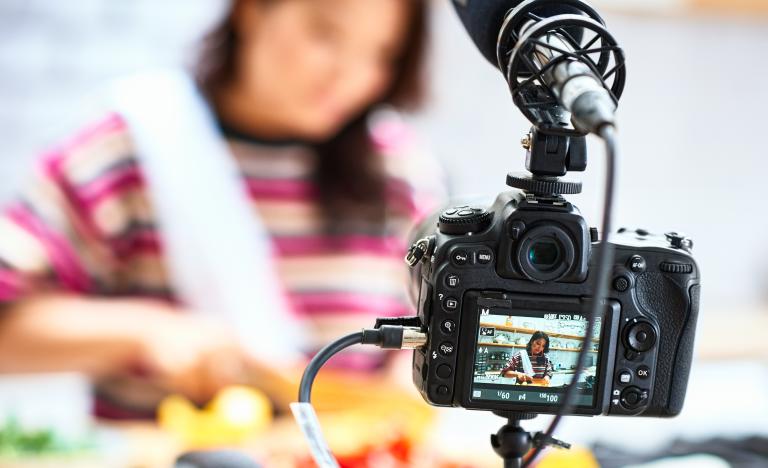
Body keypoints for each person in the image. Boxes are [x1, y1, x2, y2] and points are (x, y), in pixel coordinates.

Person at [0, 0, 441, 417]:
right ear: (251, 10)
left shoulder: (397, 167)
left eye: (381, 53)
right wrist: (143, 333)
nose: (348, 74)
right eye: (325, 34)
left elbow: (431, 322)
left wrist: (412, 382)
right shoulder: (122, 150)